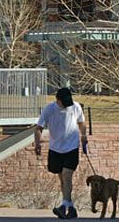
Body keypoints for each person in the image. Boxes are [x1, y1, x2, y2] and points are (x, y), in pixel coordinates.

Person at [35, 87, 87, 220]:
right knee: (62, 179)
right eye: (64, 102)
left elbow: (81, 123)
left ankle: (63, 206)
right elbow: (39, 127)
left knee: (67, 175)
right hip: (56, 148)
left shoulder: (75, 107)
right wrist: (37, 143)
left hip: (72, 147)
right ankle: (71, 208)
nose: (67, 104)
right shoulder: (49, 109)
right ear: (57, 100)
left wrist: (84, 135)